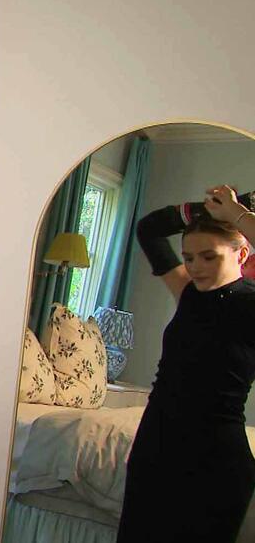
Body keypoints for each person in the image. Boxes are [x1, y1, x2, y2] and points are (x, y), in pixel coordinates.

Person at [118, 185, 255, 542]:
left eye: (209, 257)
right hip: (156, 447)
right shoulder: (188, 294)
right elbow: (149, 228)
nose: (195, 267)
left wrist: (237, 214)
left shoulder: (250, 305)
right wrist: (205, 210)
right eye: (189, 257)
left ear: (241, 255)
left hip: (215, 462)